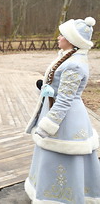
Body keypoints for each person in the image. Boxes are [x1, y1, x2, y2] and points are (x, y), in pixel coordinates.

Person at [25, 17, 100, 203]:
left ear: (72, 40)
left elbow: (65, 99)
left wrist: (48, 124)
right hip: (56, 111)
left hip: (65, 119)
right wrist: (45, 87)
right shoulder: (66, 56)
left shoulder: (74, 64)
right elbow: (59, 87)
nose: (59, 37)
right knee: (50, 155)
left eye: (63, 35)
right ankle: (48, 194)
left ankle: (64, 198)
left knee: (64, 156)